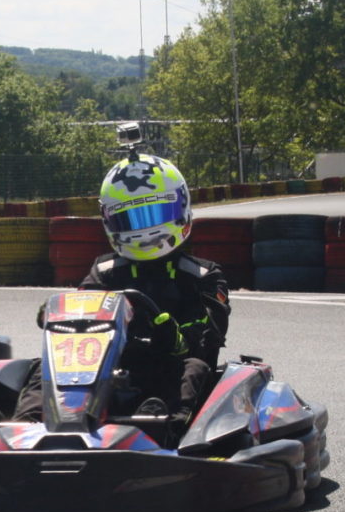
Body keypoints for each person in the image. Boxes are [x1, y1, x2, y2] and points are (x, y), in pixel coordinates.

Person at [12, 153, 230, 427]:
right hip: (108, 368)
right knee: (45, 366)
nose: (144, 229)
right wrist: (58, 313)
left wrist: (173, 338)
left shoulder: (202, 275)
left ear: (180, 207)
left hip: (167, 369)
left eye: (153, 215)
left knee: (194, 368)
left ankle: (162, 430)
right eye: (129, 220)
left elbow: (207, 342)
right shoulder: (105, 271)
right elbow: (80, 319)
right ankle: (26, 427)